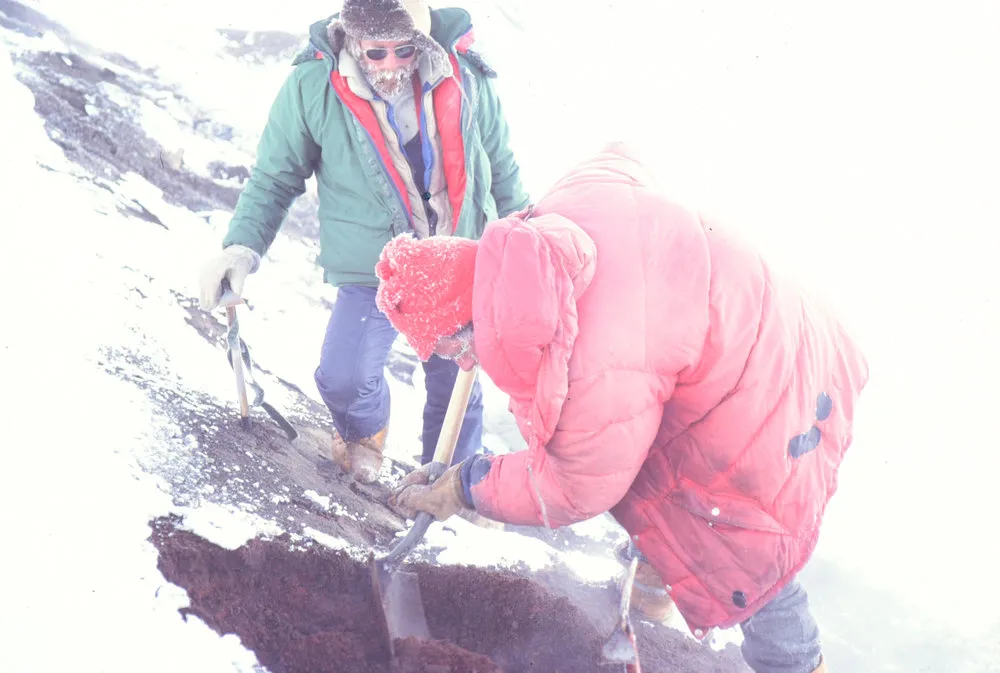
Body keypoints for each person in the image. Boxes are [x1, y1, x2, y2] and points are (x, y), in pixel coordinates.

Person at [376, 142, 869, 673]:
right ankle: (659, 572)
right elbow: (621, 161)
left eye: (449, 346)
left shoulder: (596, 357)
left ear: (469, 318)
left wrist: (465, 485)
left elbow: (575, 486)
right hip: (763, 316)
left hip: (768, 383)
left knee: (742, 545)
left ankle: (797, 664)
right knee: (639, 446)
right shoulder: (543, 237)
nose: (457, 359)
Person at [197, 0, 529, 483]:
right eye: (377, 54)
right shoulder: (312, 87)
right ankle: (363, 433)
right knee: (344, 376)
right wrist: (241, 248)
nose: (392, 65)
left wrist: (526, 243)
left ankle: (451, 484)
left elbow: (501, 167)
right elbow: (275, 177)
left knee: (455, 379)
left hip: (456, 257)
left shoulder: (466, 77)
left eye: (404, 51)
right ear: (352, 40)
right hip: (374, 263)